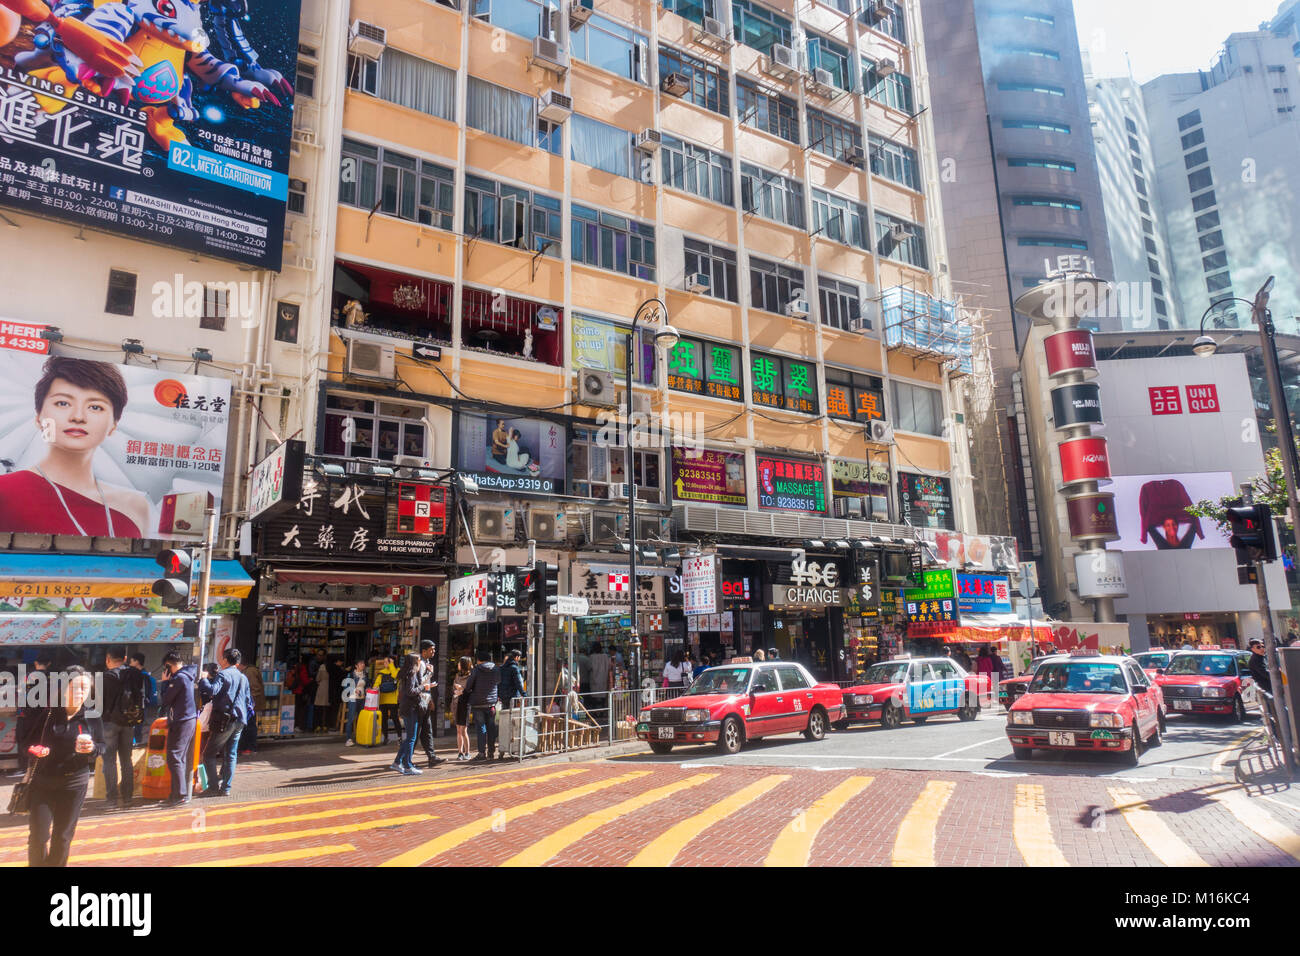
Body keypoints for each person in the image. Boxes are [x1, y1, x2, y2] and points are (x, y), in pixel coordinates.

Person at [0, 356, 149, 536]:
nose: (78, 417)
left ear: (114, 424)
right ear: (39, 417)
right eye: (63, 403)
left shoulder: (135, 505)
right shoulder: (6, 491)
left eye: (95, 407)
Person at [22, 666, 103, 867]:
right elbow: (25, 743)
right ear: (64, 688)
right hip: (43, 782)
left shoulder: (92, 717)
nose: (80, 692)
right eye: (76, 687)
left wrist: (92, 749)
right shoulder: (47, 715)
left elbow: (102, 746)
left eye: (85, 688)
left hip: (74, 783)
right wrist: (35, 750)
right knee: (38, 837)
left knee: (63, 836)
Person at [197, 649, 254, 798]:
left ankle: (213, 787)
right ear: (238, 662)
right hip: (240, 720)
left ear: (225, 660)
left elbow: (212, 691)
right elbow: (248, 700)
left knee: (208, 754)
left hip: (225, 720)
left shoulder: (223, 674)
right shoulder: (243, 677)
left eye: (222, 659)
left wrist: (203, 679)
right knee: (231, 754)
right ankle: (226, 788)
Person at [99, 647, 144, 811]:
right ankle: (127, 798)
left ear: (107, 659)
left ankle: (111, 799)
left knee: (109, 762)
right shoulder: (136, 674)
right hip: (129, 722)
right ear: (125, 657)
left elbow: (98, 703)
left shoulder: (105, 677)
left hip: (109, 722)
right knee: (126, 761)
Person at [158, 651, 197, 806]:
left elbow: (166, 699)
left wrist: (165, 682)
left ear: (169, 665)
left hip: (182, 721)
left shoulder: (179, 678)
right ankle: (176, 794)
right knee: (178, 758)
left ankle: (179, 795)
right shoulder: (187, 675)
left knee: (174, 757)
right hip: (187, 720)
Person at [16, 650, 53, 772]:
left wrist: (20, 713)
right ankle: (39, 767)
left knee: (24, 741)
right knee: (41, 741)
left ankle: (23, 768)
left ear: (35, 662)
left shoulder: (27, 677)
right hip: (44, 715)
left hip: (27, 715)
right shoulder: (53, 678)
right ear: (49, 664)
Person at [391, 653, 426, 775]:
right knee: (411, 738)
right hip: (410, 708)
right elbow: (411, 691)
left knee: (409, 737)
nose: (420, 661)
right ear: (414, 661)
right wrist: (423, 687)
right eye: (419, 659)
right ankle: (407, 765)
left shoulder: (406, 672)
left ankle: (397, 762)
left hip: (406, 708)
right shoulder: (411, 673)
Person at [463, 646, 500, 762]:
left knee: (481, 728)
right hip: (492, 704)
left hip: (478, 703)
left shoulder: (476, 670)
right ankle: (491, 752)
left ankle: (481, 753)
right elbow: (498, 682)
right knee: (491, 728)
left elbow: (468, 686)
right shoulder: (496, 669)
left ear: (479, 660)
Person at [416, 640, 443, 767]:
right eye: (431, 649)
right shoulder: (421, 664)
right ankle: (404, 760)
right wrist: (430, 673)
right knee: (417, 732)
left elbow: (427, 685)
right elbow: (421, 684)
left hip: (425, 701)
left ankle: (432, 757)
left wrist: (430, 699)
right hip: (419, 702)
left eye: (434, 649)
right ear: (424, 651)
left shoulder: (426, 663)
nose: (434, 651)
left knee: (427, 730)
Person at [130, 652, 158, 747]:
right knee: (138, 729)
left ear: (137, 662)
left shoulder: (140, 675)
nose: (130, 664)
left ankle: (135, 745)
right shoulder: (146, 675)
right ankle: (137, 744)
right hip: (143, 706)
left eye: (132, 661)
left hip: (137, 707)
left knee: (135, 730)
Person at [374, 654, 402, 744]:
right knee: (384, 719)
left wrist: (392, 665)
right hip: (383, 699)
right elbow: (376, 683)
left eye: (387, 662)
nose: (385, 663)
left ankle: (399, 737)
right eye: (385, 662)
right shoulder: (382, 672)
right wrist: (374, 688)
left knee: (395, 718)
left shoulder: (397, 670)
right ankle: (386, 737)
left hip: (393, 699)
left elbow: (395, 676)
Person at [239, 657, 265, 755]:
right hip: (249, 704)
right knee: (247, 726)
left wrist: (249, 703)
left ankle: (250, 748)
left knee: (250, 726)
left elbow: (255, 689)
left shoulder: (250, 672)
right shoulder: (248, 671)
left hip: (250, 705)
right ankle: (247, 747)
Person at [452, 656, 473, 761]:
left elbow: (470, 691)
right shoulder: (457, 675)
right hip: (456, 703)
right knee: (458, 730)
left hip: (465, 704)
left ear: (464, 665)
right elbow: (453, 688)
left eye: (460, 663)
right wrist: (457, 691)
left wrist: (462, 690)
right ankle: (460, 752)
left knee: (463, 730)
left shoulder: (470, 676)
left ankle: (467, 752)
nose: (458, 665)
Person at [343, 659, 367, 746]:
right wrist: (354, 690)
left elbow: (367, 686)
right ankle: (348, 739)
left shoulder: (365, 675)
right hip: (353, 699)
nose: (363, 665)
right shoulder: (351, 675)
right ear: (356, 665)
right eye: (361, 663)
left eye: (363, 663)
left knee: (361, 719)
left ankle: (360, 738)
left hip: (362, 699)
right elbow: (345, 688)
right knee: (351, 718)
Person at [587, 642, 610, 715]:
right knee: (603, 697)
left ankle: (595, 712)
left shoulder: (592, 657)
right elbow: (609, 667)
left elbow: (589, 667)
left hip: (594, 679)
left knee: (594, 697)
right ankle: (602, 711)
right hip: (603, 679)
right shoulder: (605, 656)